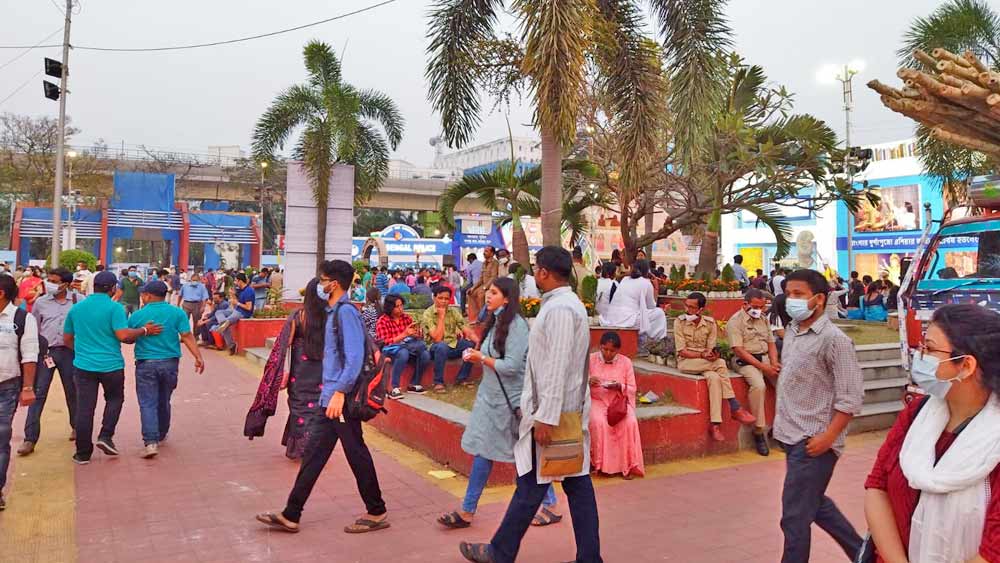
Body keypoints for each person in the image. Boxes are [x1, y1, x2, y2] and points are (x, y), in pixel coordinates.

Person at [459, 246, 600, 563]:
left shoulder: (562, 309)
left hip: (557, 415)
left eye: (536, 269)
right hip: (559, 411)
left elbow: (557, 367)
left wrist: (546, 418)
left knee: (535, 483)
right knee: (567, 484)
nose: (534, 275)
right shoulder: (558, 306)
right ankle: (586, 557)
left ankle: (501, 551)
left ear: (545, 273)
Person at [255, 259, 389, 534]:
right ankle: (291, 514)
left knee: (356, 453)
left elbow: (353, 359)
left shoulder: (346, 313)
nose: (320, 284)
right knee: (315, 455)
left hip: (339, 399)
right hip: (330, 398)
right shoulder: (333, 312)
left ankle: (376, 511)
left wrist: (339, 392)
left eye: (323, 279)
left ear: (335, 284)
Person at [864, 304, 1000, 563]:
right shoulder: (918, 413)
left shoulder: (994, 440)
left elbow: (993, 552)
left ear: (967, 365)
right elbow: (877, 485)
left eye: (929, 348)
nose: (920, 356)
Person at [437, 277, 561, 529]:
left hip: (510, 402)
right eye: (487, 292)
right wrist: (477, 357)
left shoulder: (516, 326)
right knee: (485, 453)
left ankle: (549, 503)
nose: (487, 296)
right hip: (490, 400)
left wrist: (481, 357)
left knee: (522, 456)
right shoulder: (496, 322)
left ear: (507, 298)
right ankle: (467, 510)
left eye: (493, 292)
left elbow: (512, 366)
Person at [773, 268, 863, 562]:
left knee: (794, 519)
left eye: (799, 294)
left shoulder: (834, 340)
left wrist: (829, 437)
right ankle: (865, 554)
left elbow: (851, 396)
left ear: (819, 299)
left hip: (813, 442)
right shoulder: (793, 331)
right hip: (791, 434)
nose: (792, 300)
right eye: (789, 294)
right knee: (815, 505)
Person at [64, 271, 162, 464]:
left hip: (83, 366)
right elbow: (123, 335)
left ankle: (83, 453)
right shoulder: (114, 308)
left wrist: (82, 351)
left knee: (85, 408)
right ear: (111, 288)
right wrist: (144, 330)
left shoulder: (76, 309)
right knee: (115, 399)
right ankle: (105, 435)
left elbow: (67, 339)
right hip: (111, 366)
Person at [127, 281, 205, 458]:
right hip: (170, 363)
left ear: (148, 295)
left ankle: (150, 442)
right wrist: (198, 357)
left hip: (145, 363)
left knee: (147, 402)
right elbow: (186, 336)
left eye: (143, 294)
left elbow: (128, 338)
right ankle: (161, 433)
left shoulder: (138, 315)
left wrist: (142, 331)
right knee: (164, 399)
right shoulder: (177, 313)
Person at [675, 291, 756, 441]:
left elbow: (710, 348)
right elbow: (682, 351)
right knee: (720, 363)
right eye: (686, 306)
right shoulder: (679, 322)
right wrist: (703, 356)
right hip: (687, 362)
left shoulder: (710, 323)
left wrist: (712, 354)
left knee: (715, 378)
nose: (687, 310)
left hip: (707, 363)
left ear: (701, 309)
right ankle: (734, 406)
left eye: (692, 307)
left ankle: (715, 424)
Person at [18, 268, 80, 457]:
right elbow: (34, 328)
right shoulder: (41, 302)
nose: (50, 283)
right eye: (49, 280)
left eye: (54, 280)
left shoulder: (79, 301)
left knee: (73, 392)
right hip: (46, 353)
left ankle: (77, 427)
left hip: (70, 352)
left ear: (66, 284)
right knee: (38, 394)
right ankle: (30, 438)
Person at [726, 289, 781, 456]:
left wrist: (774, 363)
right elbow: (739, 350)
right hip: (746, 361)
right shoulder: (735, 321)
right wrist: (764, 367)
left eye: (762, 307)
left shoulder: (763, 319)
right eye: (755, 306)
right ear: (745, 304)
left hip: (765, 358)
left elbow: (771, 343)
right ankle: (759, 431)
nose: (759, 310)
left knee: (785, 383)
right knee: (758, 386)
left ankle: (780, 429)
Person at [0, 274, 38, 510]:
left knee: (1, 440)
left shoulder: (22, 319)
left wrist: (27, 388)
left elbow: (30, 355)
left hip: (7, 387)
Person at [588, 331, 644, 479]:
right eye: (605, 349)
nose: (608, 353)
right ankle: (601, 465)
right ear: (600, 347)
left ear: (617, 351)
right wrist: (588, 381)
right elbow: (578, 382)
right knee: (599, 423)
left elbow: (632, 388)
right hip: (597, 401)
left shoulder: (626, 362)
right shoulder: (590, 360)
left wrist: (620, 386)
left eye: (612, 351)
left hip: (619, 402)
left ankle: (626, 466)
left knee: (629, 422)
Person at [599, 260, 667, 353]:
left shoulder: (625, 280)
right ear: (646, 271)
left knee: (644, 315)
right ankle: (659, 342)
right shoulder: (646, 283)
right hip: (628, 319)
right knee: (659, 313)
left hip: (612, 318)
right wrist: (656, 287)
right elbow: (651, 306)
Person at [422, 285, 479, 393]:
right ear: (434, 298)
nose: (444, 301)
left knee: (470, 345)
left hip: (452, 345)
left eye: (446, 299)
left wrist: (477, 341)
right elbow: (437, 339)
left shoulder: (453, 311)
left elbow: (465, 328)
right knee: (441, 346)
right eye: (440, 298)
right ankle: (438, 382)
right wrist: (441, 317)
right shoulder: (428, 314)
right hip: (434, 347)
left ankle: (462, 378)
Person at [377, 293, 430, 400]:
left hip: (408, 347)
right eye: (397, 306)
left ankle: (414, 384)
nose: (400, 309)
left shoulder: (406, 318)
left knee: (425, 354)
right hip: (390, 350)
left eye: (401, 305)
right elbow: (384, 343)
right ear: (390, 307)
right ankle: (394, 388)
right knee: (404, 351)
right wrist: (404, 335)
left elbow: (414, 337)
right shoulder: (383, 321)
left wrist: (417, 335)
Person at [214, 273, 255, 355]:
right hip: (236, 310)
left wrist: (237, 303)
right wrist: (232, 294)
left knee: (226, 324)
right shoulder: (240, 290)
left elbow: (248, 307)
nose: (235, 283)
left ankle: (231, 345)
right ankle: (223, 323)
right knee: (219, 312)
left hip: (243, 313)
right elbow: (235, 303)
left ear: (240, 281)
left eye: (236, 281)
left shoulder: (249, 291)